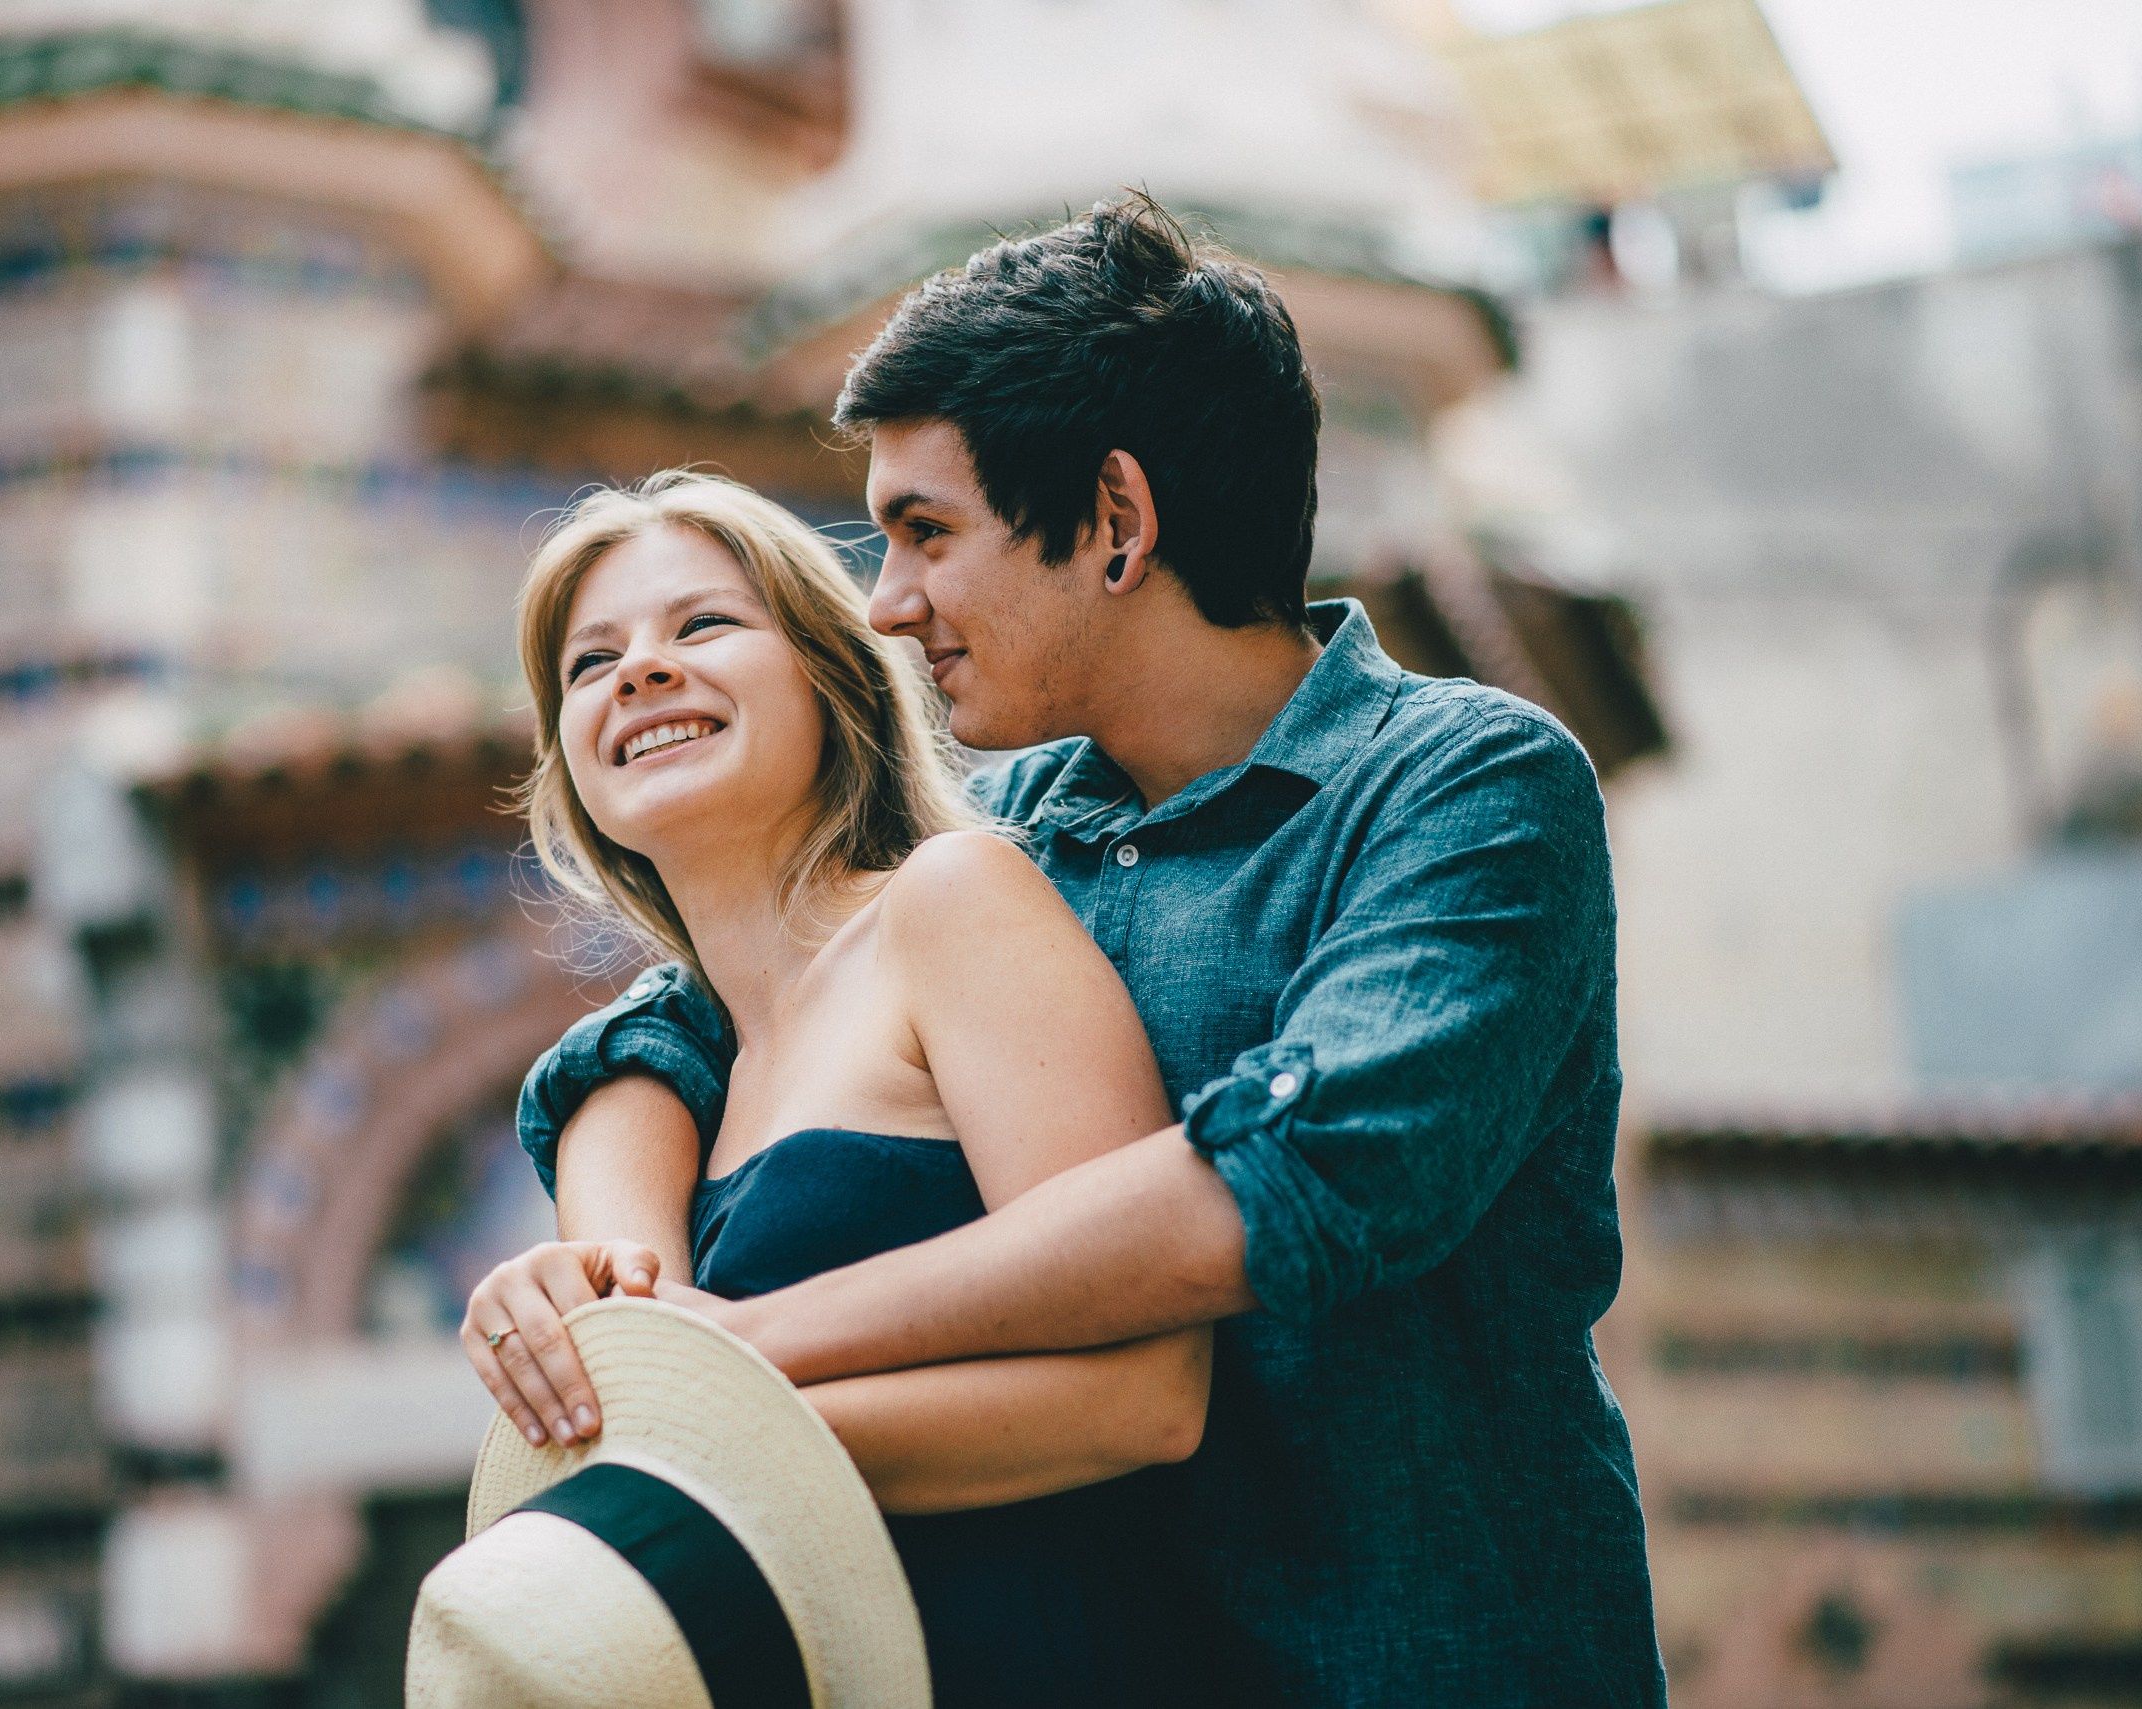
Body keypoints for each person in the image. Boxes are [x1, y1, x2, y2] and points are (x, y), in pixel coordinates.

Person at [477, 193, 1666, 1706]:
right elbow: (697, 1013)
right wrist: (613, 1295)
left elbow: (1289, 1184)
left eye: (926, 535)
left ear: (1114, 520)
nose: (891, 607)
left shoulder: (1467, 788)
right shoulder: (1024, 826)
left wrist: (736, 1361)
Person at [465, 469, 1242, 1705]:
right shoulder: (665, 1075)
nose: (639, 671)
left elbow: (1150, 1394)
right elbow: (636, 1395)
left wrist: (713, 1438)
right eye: (589, 662)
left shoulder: (949, 904)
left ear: (831, 675)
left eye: (702, 625)